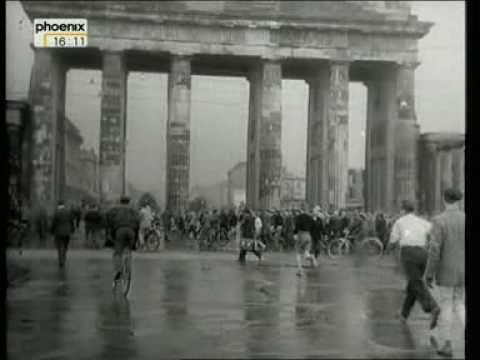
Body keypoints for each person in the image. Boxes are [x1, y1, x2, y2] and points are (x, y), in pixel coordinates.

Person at [388, 200, 440, 329]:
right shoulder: (422, 221)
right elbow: (433, 233)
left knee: (416, 282)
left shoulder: (399, 222)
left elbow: (393, 240)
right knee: (412, 285)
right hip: (423, 253)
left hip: (408, 253)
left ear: (403, 210)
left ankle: (432, 306)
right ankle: (404, 314)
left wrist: (390, 247)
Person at [425, 188, 465, 357]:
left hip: (446, 269)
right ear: (459, 201)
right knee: (459, 302)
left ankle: (447, 343)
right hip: (463, 269)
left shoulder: (439, 220)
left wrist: (429, 273)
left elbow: (434, 250)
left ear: (444, 199)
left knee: (447, 304)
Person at [106, 196, 140, 286]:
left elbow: (108, 216)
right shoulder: (134, 210)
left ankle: (118, 271)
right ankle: (128, 267)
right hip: (131, 231)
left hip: (120, 230)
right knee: (129, 249)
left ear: (120, 201)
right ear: (129, 202)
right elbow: (138, 221)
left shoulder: (115, 209)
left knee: (117, 253)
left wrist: (111, 227)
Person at [294, 205, 317, 276]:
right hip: (308, 235)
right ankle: (312, 257)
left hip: (301, 234)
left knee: (298, 253)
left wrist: (294, 234)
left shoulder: (298, 217)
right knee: (306, 253)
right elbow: (314, 226)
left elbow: (296, 226)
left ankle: (299, 270)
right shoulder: (310, 218)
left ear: (301, 209)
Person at [50, 200, 75, 268]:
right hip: (67, 232)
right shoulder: (68, 212)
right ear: (64, 205)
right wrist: (72, 230)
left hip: (58, 232)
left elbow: (53, 223)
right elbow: (71, 222)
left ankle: (61, 260)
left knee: (59, 246)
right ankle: (64, 257)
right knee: (65, 246)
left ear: (58, 205)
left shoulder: (56, 213)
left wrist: (51, 231)